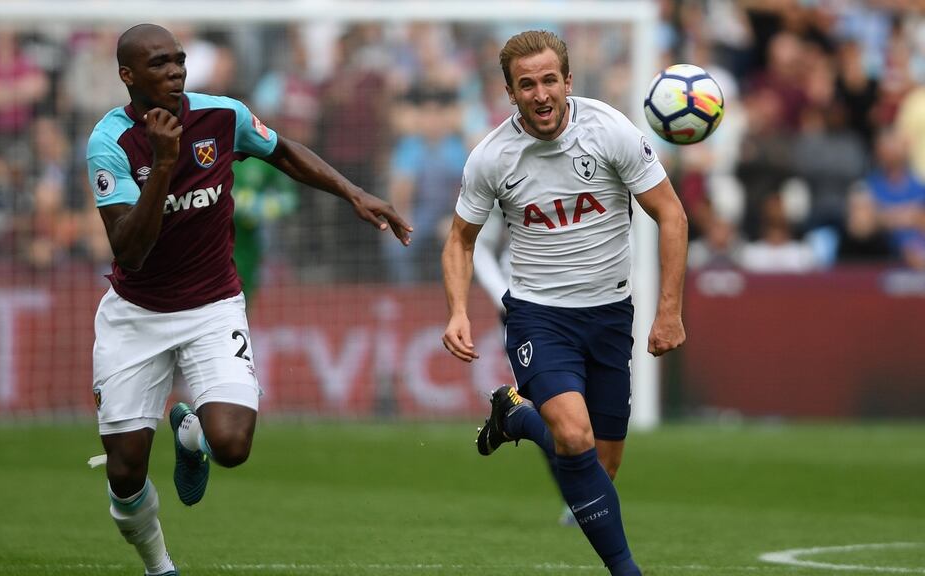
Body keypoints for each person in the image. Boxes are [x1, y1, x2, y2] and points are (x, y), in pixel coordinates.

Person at [87, 24, 411, 576]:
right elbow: (131, 251)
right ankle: (160, 566)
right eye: (160, 64)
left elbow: (282, 150)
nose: (175, 72)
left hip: (213, 305)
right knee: (124, 474)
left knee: (232, 445)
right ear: (128, 76)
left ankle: (189, 434)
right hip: (136, 314)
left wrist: (352, 192)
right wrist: (164, 165)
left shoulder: (222, 117)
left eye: (179, 61)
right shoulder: (110, 144)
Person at [441, 30, 687, 576]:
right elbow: (460, 238)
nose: (540, 93)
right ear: (510, 92)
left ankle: (516, 418)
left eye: (549, 80)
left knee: (601, 464)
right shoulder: (492, 158)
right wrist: (458, 310)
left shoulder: (610, 131)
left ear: (568, 81)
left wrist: (668, 310)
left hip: (610, 313)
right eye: (526, 84)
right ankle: (627, 570)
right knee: (573, 436)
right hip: (538, 315)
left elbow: (671, 214)